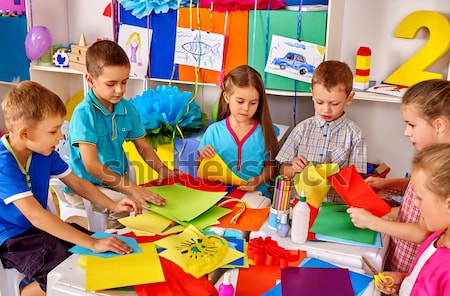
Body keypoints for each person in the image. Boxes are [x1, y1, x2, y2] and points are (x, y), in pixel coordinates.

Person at [0, 81, 141, 296]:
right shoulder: (3, 163)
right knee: (66, 266)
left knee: (88, 245)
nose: (61, 136)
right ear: (24, 134)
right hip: (9, 238)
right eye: (54, 131)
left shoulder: (43, 150)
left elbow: (76, 182)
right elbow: (36, 216)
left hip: (34, 229)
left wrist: (112, 204)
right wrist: (93, 244)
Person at [66, 40, 176, 226]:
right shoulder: (84, 114)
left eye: (124, 82)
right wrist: (133, 189)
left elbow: (143, 146)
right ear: (91, 80)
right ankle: (105, 240)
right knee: (130, 207)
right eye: (111, 84)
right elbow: (92, 165)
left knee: (153, 206)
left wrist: (161, 168)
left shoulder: (127, 108)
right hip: (85, 187)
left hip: (115, 182)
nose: (120, 90)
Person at [348, 79, 450, 273]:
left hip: (411, 264)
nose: (406, 132)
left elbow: (421, 231)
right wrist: (387, 183)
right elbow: (418, 185)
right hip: (399, 258)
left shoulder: (443, 167)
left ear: (438, 124)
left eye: (411, 125)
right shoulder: (434, 157)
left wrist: (372, 222)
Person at [349, 143, 450, 296]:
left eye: (419, 198)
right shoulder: (437, 236)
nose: (413, 203)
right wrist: (404, 280)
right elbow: (430, 286)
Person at [276, 60, 367, 202]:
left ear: (349, 98)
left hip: (335, 209)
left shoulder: (355, 134)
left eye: (334, 103)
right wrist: (294, 168)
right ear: (312, 94)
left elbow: (358, 180)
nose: (326, 109)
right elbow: (281, 169)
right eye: (319, 102)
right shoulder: (301, 129)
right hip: (300, 206)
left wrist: (332, 175)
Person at [196, 65, 280, 197]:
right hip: (219, 196)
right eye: (240, 101)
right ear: (227, 97)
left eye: (253, 103)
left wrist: (258, 180)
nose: (246, 108)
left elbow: (272, 167)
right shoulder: (214, 131)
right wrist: (203, 156)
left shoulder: (265, 132)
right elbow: (199, 164)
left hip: (255, 196)